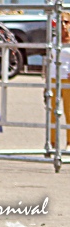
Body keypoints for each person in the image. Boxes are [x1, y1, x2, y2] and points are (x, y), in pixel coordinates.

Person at [49, 12, 70, 151]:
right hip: (53, 78)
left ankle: (69, 143)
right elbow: (49, 59)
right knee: (53, 112)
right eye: (60, 22)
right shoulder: (54, 40)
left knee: (69, 112)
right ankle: (52, 142)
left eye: (66, 22)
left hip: (67, 79)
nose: (63, 26)